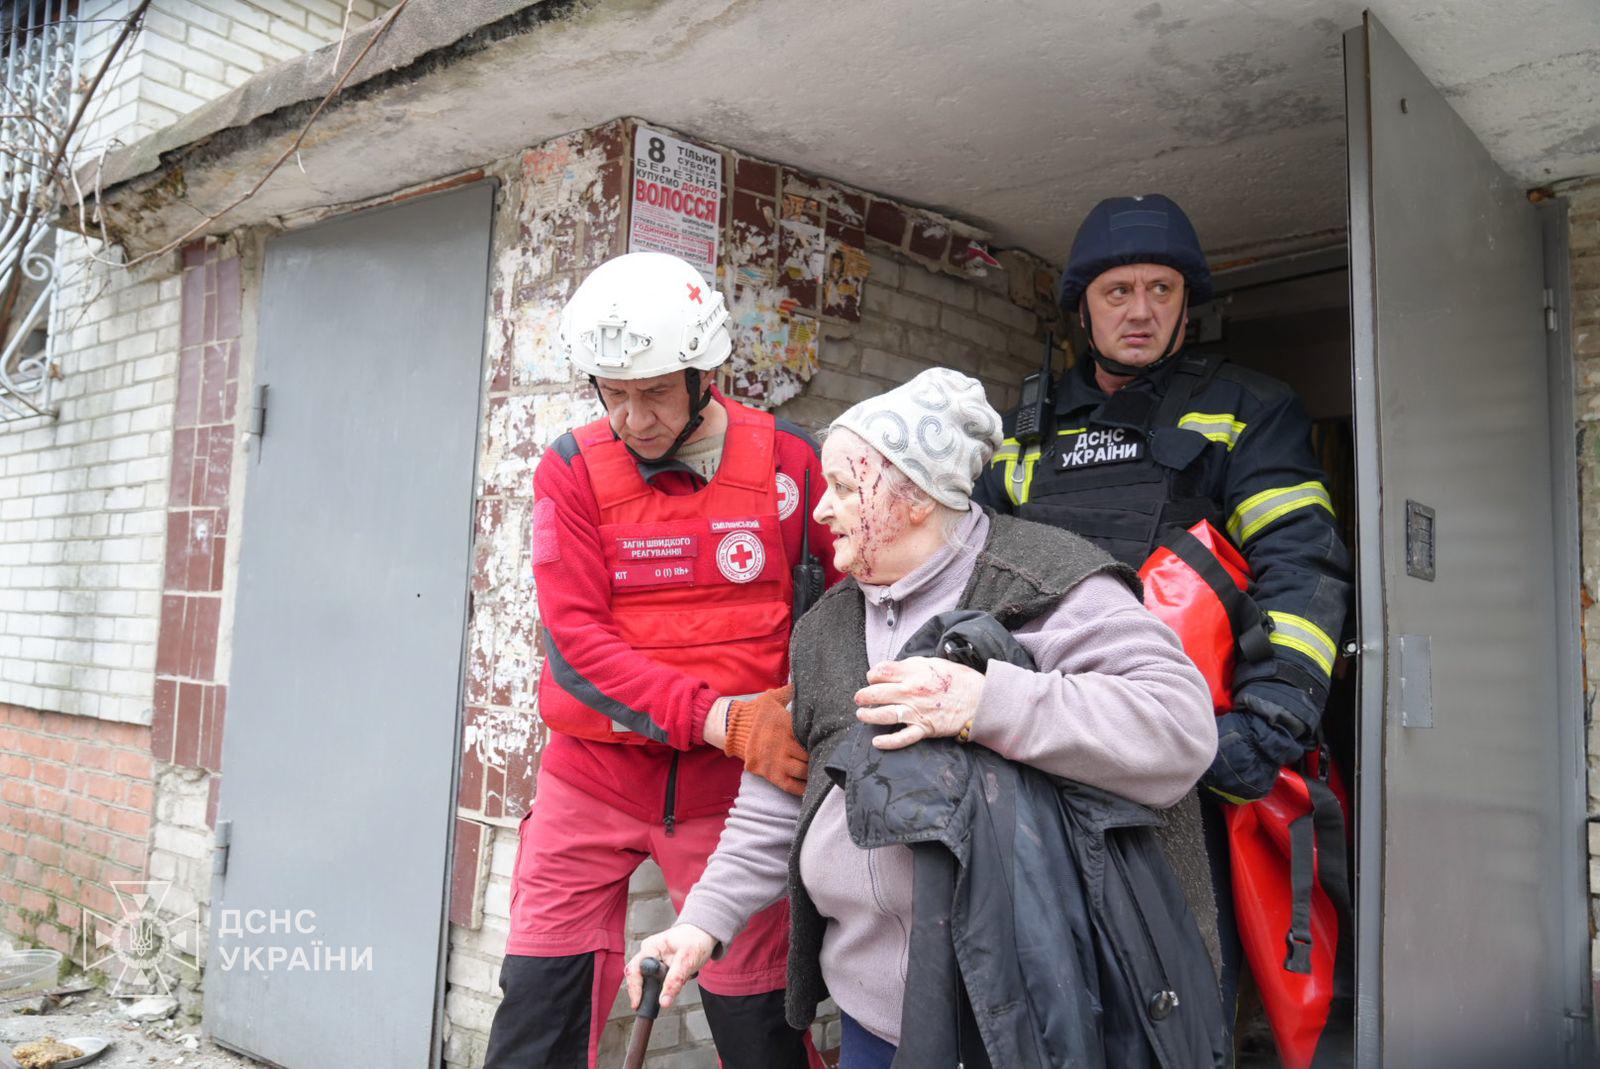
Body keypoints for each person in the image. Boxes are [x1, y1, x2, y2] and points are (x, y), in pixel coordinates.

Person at [626, 368, 1222, 1067]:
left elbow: (1179, 726)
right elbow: (781, 797)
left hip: (1033, 1024)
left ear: (914, 496)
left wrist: (986, 704)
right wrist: (701, 922)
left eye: (844, 488)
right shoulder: (825, 629)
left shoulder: (1047, 582)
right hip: (874, 1021)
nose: (821, 511)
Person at [971, 194, 1354, 1021]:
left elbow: (1304, 565)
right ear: (1082, 308)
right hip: (1041, 746)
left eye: (1161, 289)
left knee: (1183, 1000)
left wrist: (1268, 725)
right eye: (1118, 291)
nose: (1140, 310)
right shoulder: (1022, 432)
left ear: (1188, 303)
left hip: (1184, 754)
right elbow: (973, 574)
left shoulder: (1248, 409)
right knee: (1050, 994)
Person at [482, 252, 833, 1069]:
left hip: (734, 796)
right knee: (537, 1009)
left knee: (759, 1028)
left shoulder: (791, 463)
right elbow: (577, 645)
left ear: (706, 374)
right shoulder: (571, 467)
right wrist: (720, 716)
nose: (633, 418)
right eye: (613, 393)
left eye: (656, 392)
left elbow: (844, 616)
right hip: (591, 779)